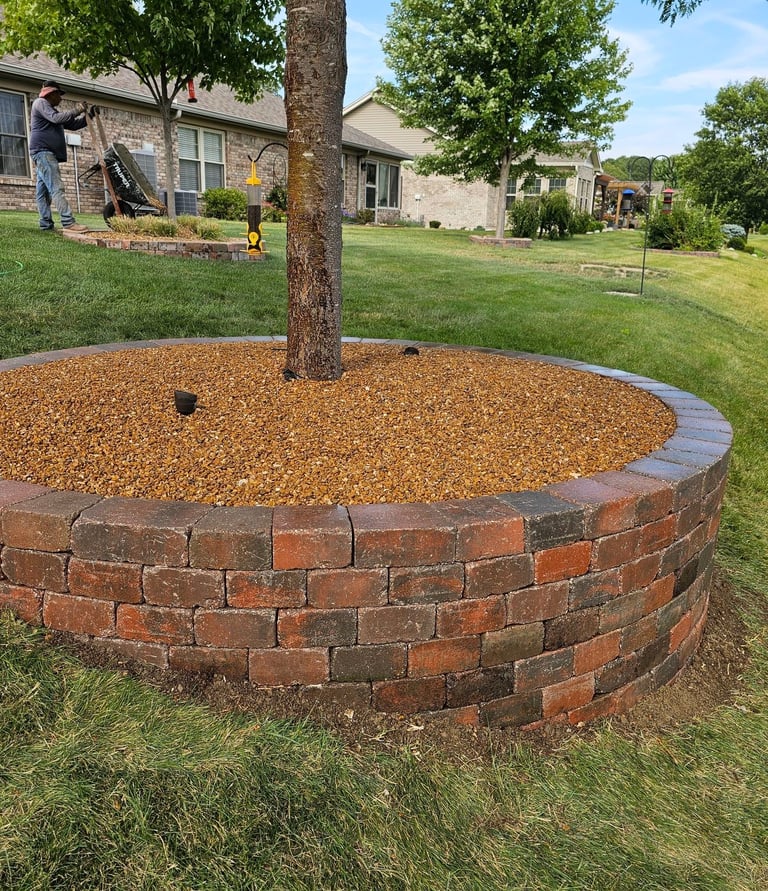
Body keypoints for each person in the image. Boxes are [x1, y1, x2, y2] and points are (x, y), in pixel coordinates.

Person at [29, 80, 89, 232]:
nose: (61, 99)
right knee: (57, 187)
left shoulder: (50, 111)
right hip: (43, 152)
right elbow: (57, 119)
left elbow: (72, 124)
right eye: (59, 95)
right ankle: (68, 222)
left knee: (42, 192)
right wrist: (77, 109)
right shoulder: (40, 103)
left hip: (42, 153)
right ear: (51, 93)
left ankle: (46, 224)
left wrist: (89, 117)